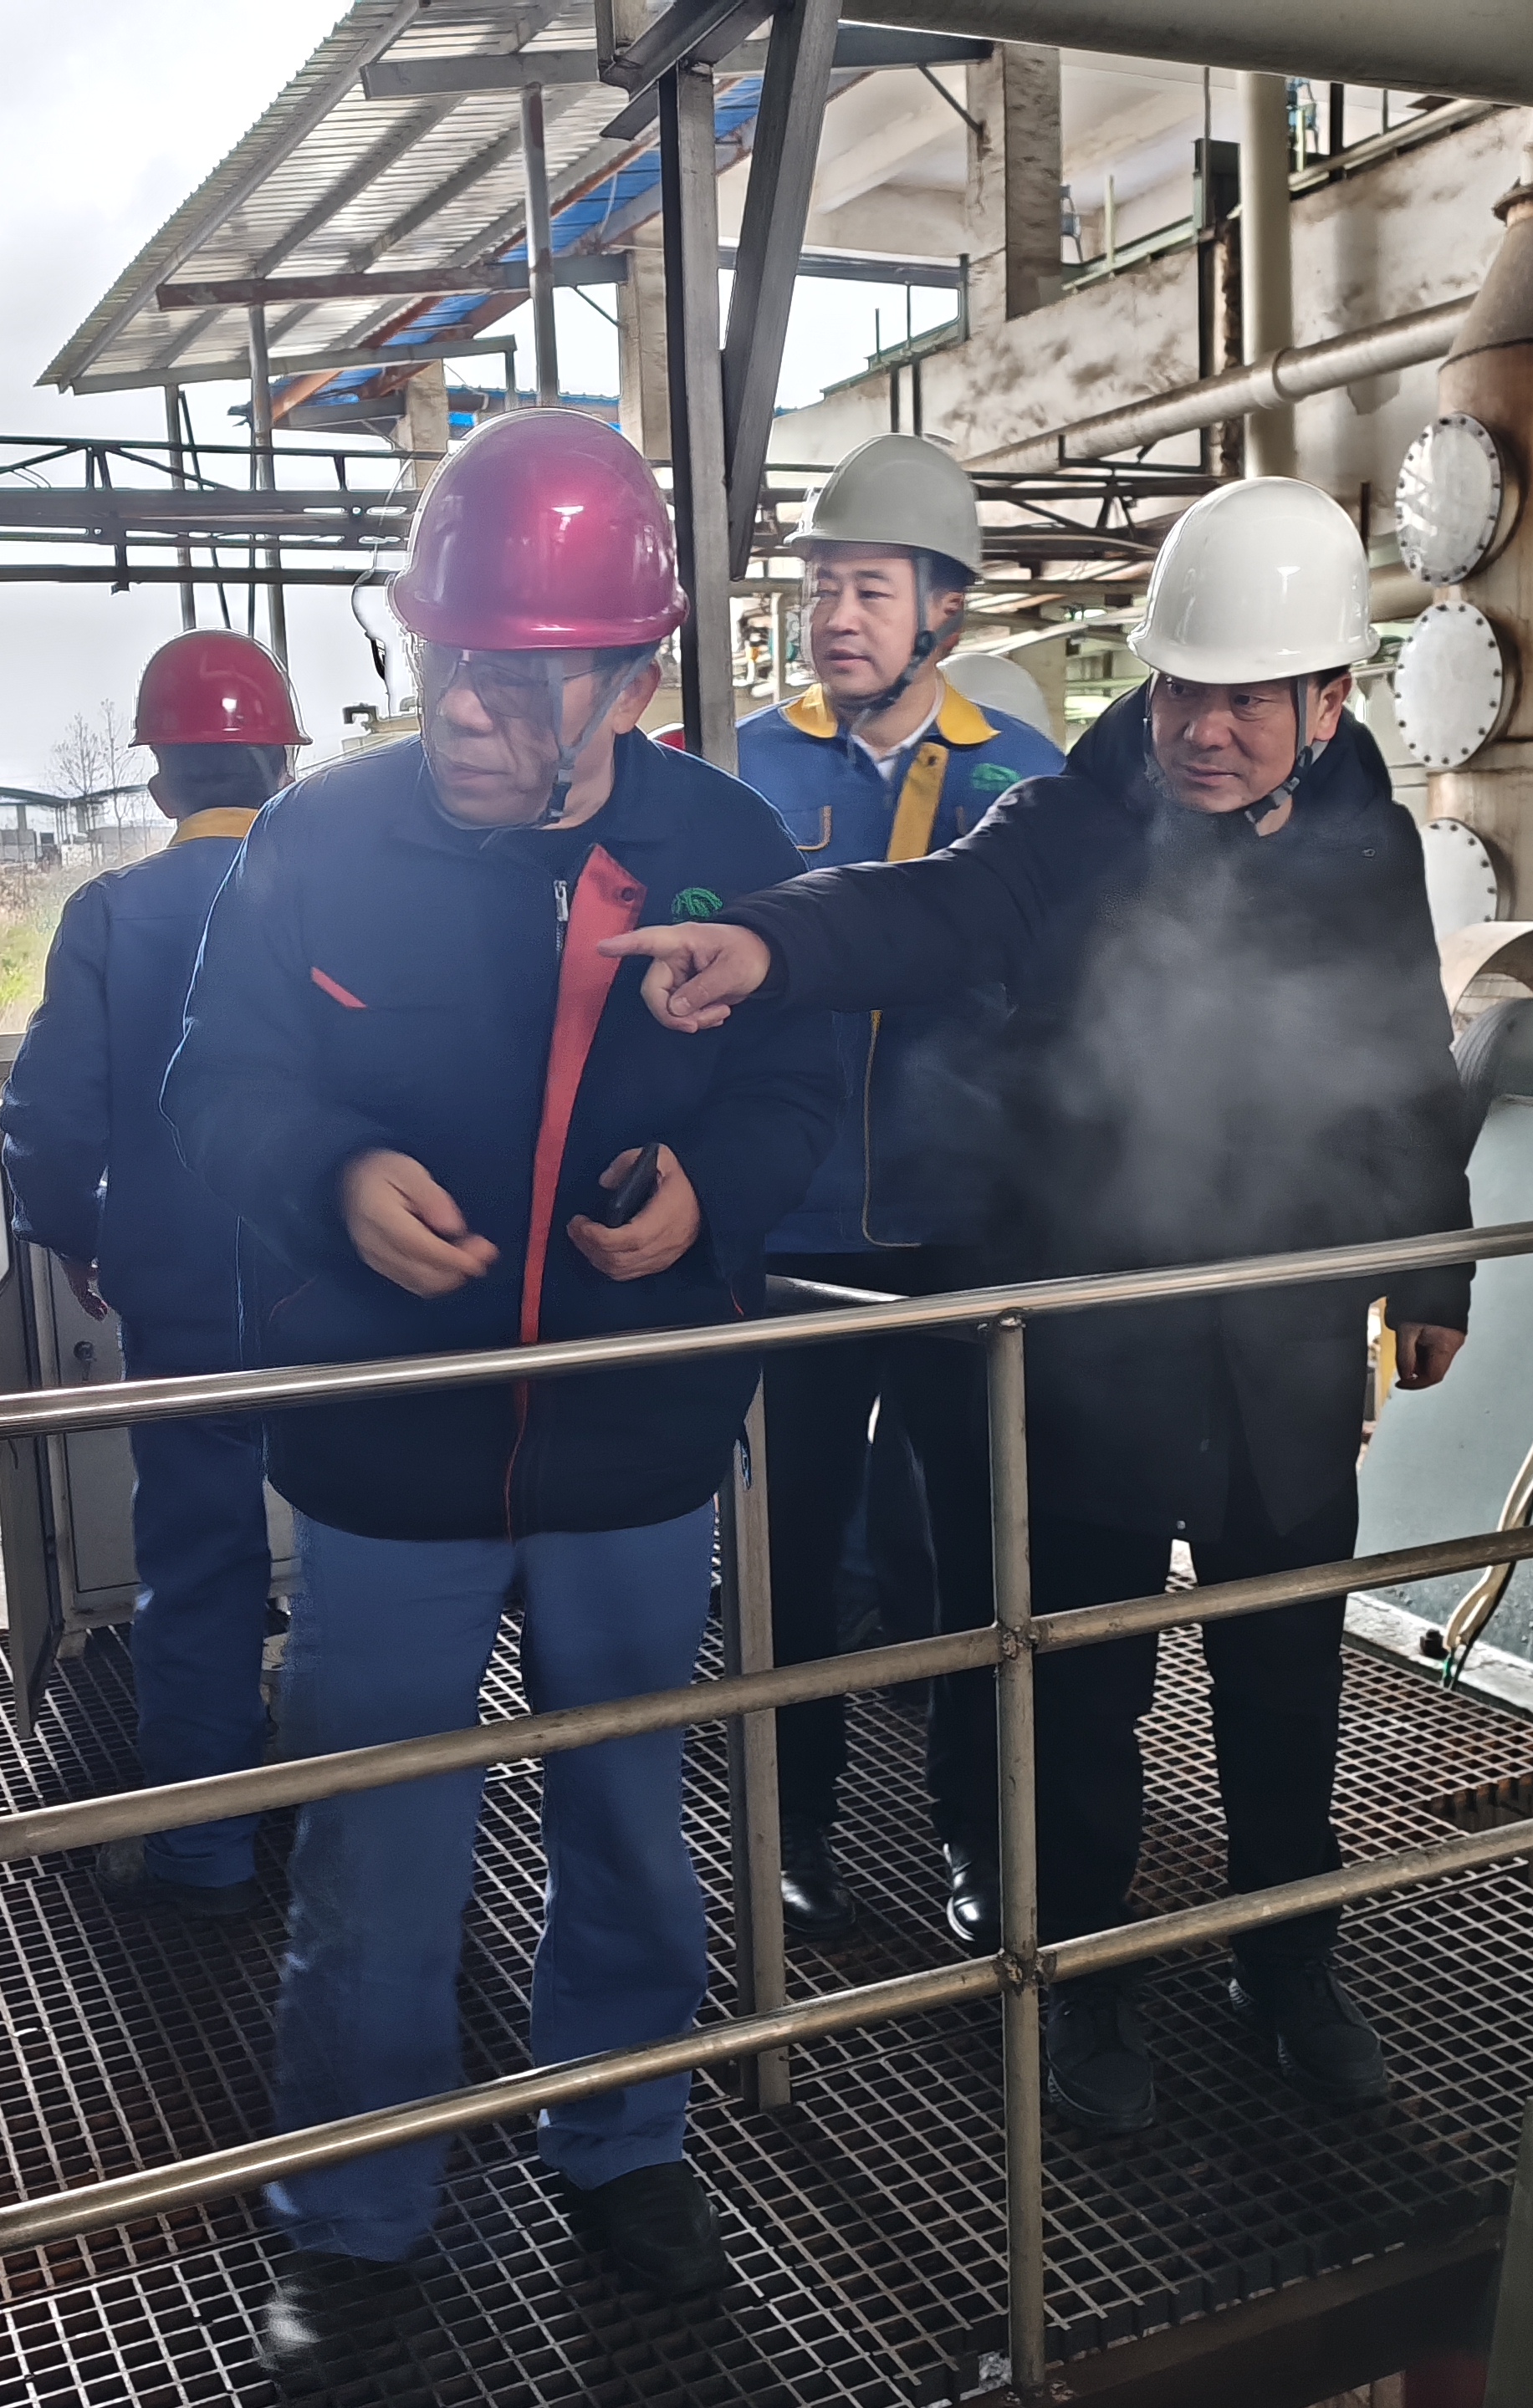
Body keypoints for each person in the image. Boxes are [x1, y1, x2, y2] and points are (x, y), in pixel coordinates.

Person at [605, 477, 1477, 2139]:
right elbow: (933, 907)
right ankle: (1080, 1971)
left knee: (1286, 1671)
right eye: (1180, 687)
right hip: (1094, 1327)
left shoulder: (1368, 834)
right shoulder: (1080, 816)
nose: (1202, 729)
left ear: (1328, 701)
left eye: (1245, 700)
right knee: (1074, 1683)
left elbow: (1402, 1053)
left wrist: (1430, 1258)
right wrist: (771, 947)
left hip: (1282, 1333)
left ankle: (1289, 1960)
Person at [161, 408, 835, 2363]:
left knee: (629, 1811)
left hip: (632, 1441)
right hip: (388, 1454)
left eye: (519, 678)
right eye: (445, 658)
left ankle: (623, 2145)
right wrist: (328, 1177)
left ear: (628, 681)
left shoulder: (722, 853)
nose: (462, 707)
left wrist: (709, 1195)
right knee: (376, 1842)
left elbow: (797, 1082)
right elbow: (215, 1090)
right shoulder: (315, 848)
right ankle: (355, 2213)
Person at [731, 433, 1064, 1946]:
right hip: (788, 1233)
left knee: (978, 1553)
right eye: (821, 590)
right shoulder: (744, 767)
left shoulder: (1022, 779)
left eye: (870, 589)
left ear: (945, 606)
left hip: (963, 1230)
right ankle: (792, 1831)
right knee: (786, 1555)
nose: (837, 618)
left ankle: (976, 1837)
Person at [0, 629, 304, 1919]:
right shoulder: (342, 900)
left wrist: (78, 1234)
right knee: (362, 1553)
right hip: (344, 1282)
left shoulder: (113, 913)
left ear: (161, 774)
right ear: (282, 761)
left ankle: (204, 1855)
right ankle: (371, 1836)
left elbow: (54, 1114)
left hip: (179, 1288)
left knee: (199, 1560)